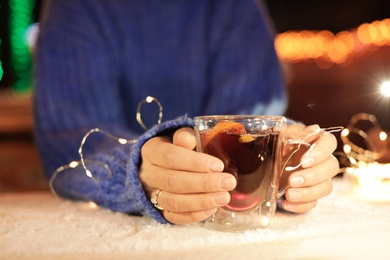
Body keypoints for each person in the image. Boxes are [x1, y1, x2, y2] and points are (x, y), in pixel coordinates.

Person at [34, 0, 338, 225]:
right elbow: (71, 141)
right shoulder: (77, 7)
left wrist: (286, 159)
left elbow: (248, 119)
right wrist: (135, 169)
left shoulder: (237, 8)